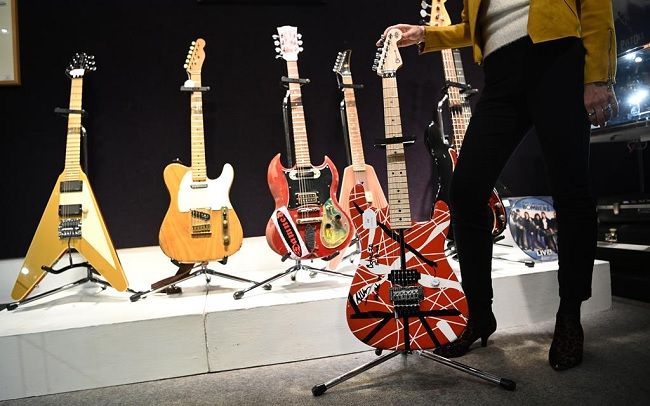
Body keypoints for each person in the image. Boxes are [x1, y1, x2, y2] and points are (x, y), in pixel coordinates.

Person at [379, 0, 618, 371]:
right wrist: (426, 34)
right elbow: (474, 28)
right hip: (501, 72)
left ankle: (569, 315)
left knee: (570, 189)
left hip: (556, 57)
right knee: (465, 192)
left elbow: (596, 7)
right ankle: (479, 313)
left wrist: (598, 77)